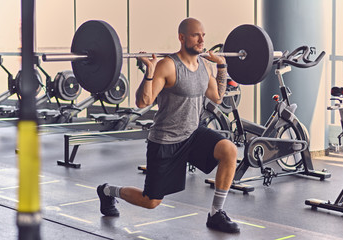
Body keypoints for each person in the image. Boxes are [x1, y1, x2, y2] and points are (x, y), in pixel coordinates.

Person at [97, 17, 240, 234]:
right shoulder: (168, 65)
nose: (201, 40)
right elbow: (143, 102)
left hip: (192, 134)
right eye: (195, 35)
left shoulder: (204, 66)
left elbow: (217, 96)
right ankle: (107, 191)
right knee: (151, 201)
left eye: (203, 35)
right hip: (166, 140)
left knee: (229, 150)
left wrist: (222, 66)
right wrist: (150, 71)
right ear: (182, 38)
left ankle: (216, 213)